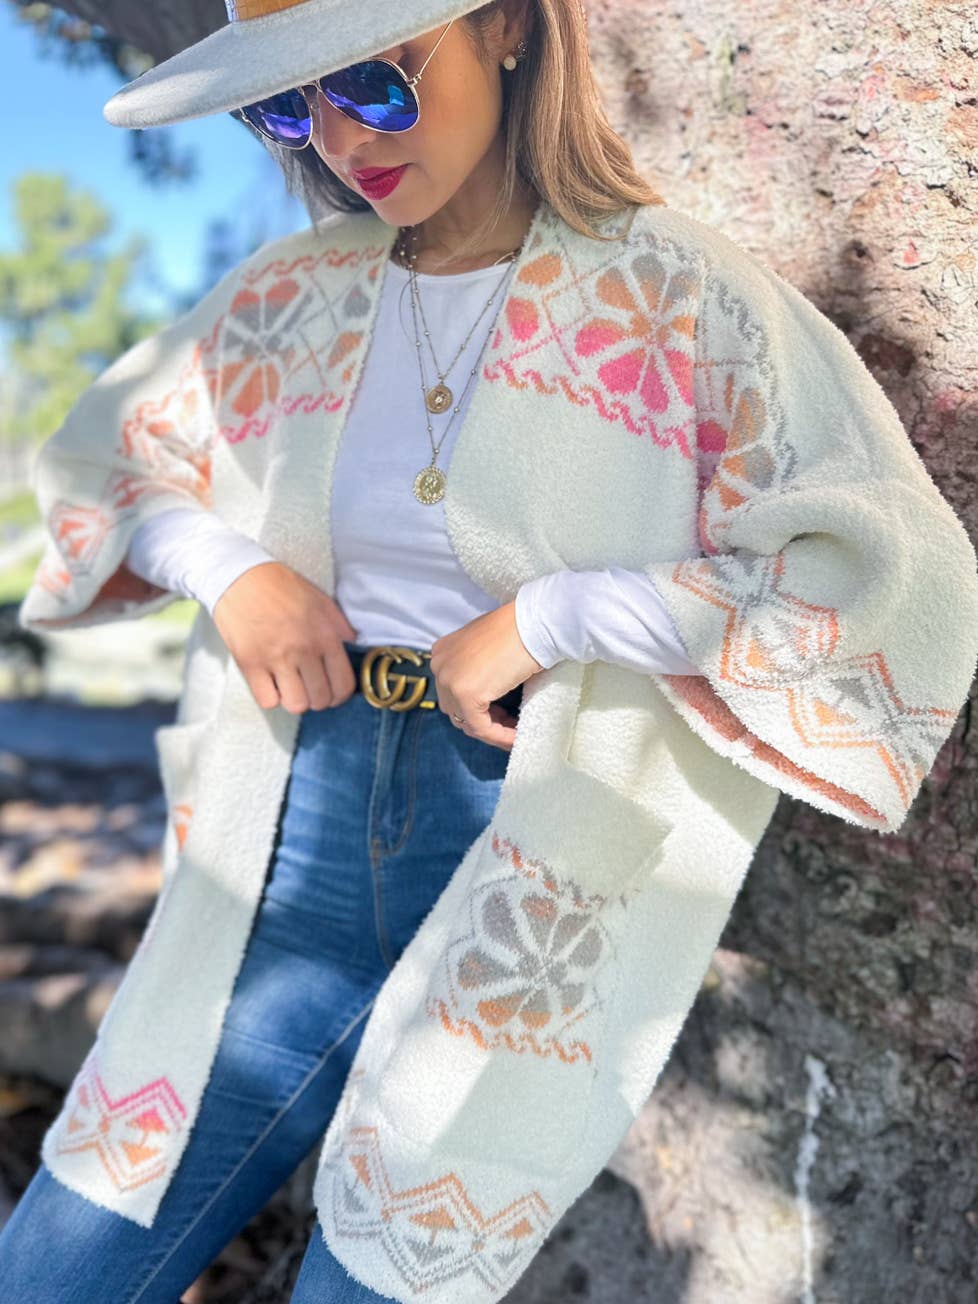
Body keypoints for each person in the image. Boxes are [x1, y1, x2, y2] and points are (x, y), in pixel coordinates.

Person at [4, 0, 977, 1301]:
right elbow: (100, 464)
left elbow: (880, 575)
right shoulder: (290, 294)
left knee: (383, 1275)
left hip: (528, 851)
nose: (342, 138)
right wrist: (231, 574)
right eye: (288, 106)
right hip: (286, 832)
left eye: (375, 82)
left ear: (507, 27)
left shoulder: (680, 295)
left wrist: (545, 619)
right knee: (60, 1263)